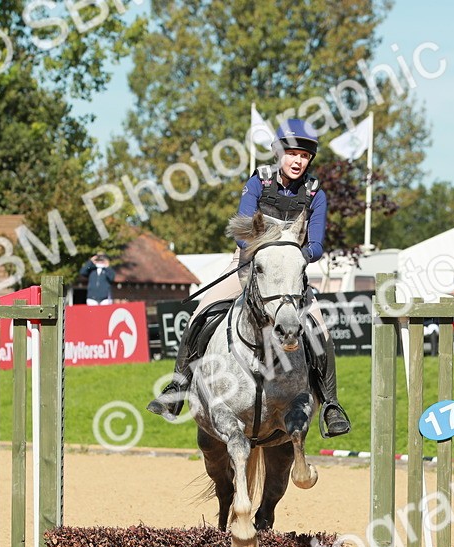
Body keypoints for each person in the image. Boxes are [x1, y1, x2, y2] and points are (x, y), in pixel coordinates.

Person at [147, 119, 350, 437]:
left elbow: (318, 245)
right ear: (279, 153)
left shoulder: (315, 194)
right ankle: (178, 387)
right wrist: (265, 253)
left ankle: (332, 406)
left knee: (321, 331)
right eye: (292, 153)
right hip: (248, 266)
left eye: (304, 156)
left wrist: (293, 258)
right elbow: (243, 229)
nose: (297, 161)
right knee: (202, 311)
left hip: (291, 278)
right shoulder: (259, 182)